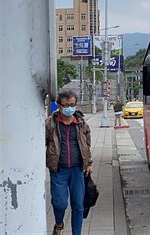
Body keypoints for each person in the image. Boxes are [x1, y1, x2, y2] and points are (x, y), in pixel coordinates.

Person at [45, 90, 93, 235]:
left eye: (72, 105)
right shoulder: (50, 123)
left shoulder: (81, 123)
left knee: (78, 205)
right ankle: (59, 224)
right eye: (66, 105)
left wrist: (88, 163)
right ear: (59, 106)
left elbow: (87, 144)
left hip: (78, 169)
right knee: (59, 202)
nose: (69, 108)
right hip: (59, 169)